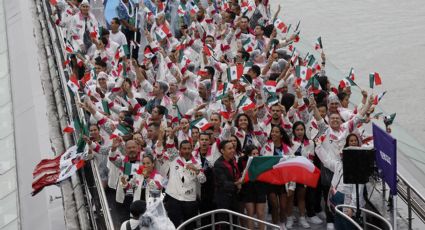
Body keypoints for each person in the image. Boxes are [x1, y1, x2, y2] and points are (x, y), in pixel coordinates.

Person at [214, 140, 242, 229]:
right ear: (222, 151)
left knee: (234, 222)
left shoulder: (233, 160)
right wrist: (236, 183)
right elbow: (223, 183)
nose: (233, 150)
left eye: (233, 148)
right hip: (223, 199)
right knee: (224, 224)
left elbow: (236, 175)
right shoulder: (218, 164)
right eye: (229, 148)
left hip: (234, 197)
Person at [238, 145, 267, 230]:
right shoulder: (241, 160)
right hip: (248, 189)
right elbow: (239, 175)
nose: (255, 155)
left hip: (260, 189)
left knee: (260, 214)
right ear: (248, 154)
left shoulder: (262, 160)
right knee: (250, 214)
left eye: (257, 153)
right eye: (253, 154)